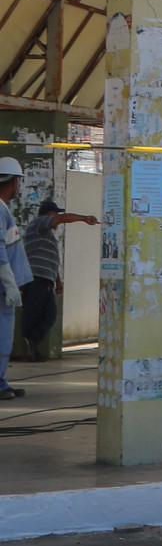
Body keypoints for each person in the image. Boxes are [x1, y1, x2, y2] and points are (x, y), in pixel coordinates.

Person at [20, 198, 98, 360]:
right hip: (35, 279)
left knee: (49, 314)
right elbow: (62, 219)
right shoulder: (39, 224)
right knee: (32, 314)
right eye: (54, 213)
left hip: (46, 280)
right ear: (45, 214)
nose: (57, 216)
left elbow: (51, 258)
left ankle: (31, 342)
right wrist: (84, 219)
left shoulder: (47, 235)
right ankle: (26, 347)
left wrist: (58, 281)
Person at [0, 157, 29, 400]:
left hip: (5, 286)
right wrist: (9, 284)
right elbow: (0, 250)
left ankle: (1, 381)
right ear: (14, 181)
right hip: (2, 289)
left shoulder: (3, 208)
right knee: (2, 338)